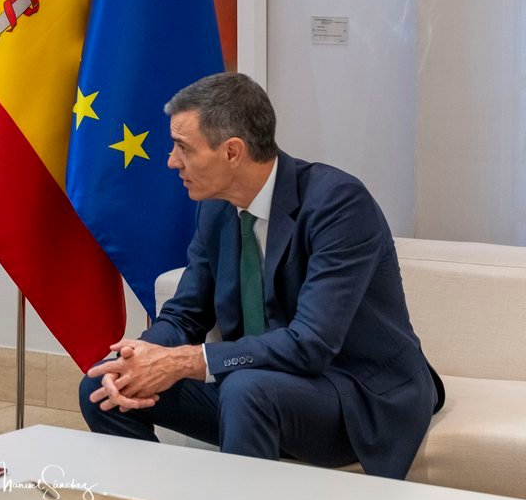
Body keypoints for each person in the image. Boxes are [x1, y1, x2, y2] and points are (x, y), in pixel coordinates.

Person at [79, 72, 444, 479]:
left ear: (232, 152)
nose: (171, 161)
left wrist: (186, 361)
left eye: (183, 147)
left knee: (245, 389)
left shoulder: (338, 204)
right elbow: (184, 316)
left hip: (351, 392)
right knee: (104, 387)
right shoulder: (216, 208)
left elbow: (311, 343)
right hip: (255, 387)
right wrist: (141, 357)